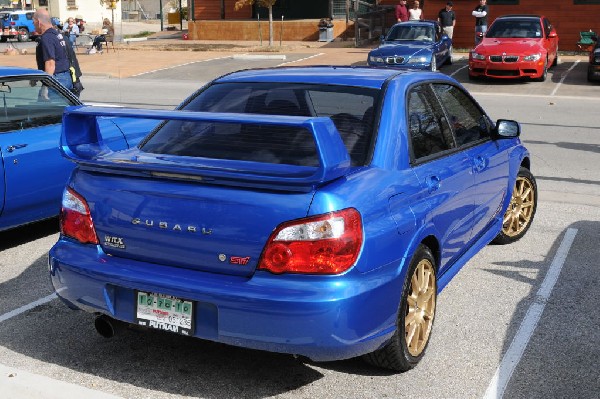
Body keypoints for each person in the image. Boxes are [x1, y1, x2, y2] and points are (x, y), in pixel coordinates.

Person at [33, 8, 73, 95]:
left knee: (46, 106)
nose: (33, 25)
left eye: (34, 22)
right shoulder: (56, 34)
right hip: (66, 77)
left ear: (39, 22)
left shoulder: (47, 38)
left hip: (57, 79)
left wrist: (46, 86)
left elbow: (50, 63)